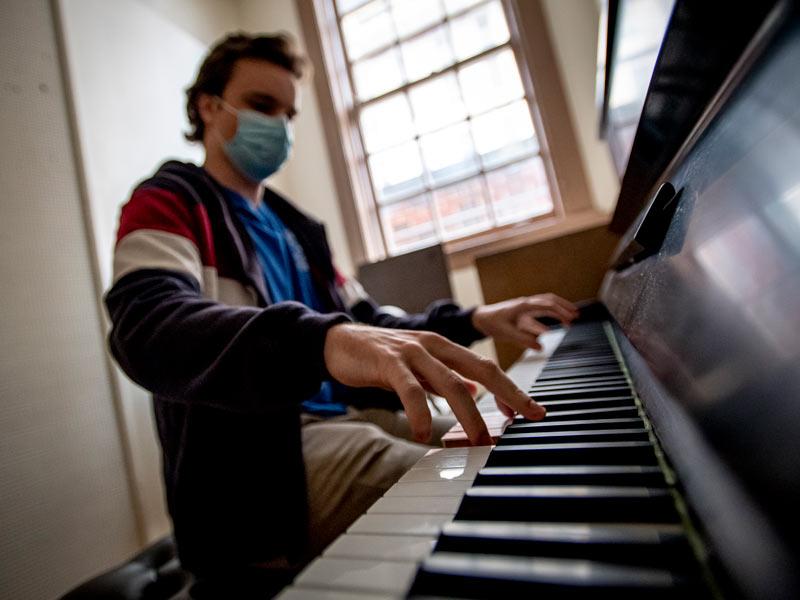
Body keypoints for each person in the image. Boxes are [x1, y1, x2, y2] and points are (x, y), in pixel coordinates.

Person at [104, 32, 578, 594]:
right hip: (261, 462)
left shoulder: (298, 229)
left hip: (353, 417)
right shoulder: (169, 201)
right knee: (482, 496)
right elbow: (147, 327)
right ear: (209, 107)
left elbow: (369, 325)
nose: (279, 125)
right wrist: (317, 342)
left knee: (510, 451)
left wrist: (471, 320)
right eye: (262, 106)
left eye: (288, 112)